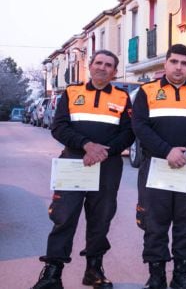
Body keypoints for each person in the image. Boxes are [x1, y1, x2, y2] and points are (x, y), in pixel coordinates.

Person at [32, 50, 134, 289]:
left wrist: (104, 152)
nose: (102, 67)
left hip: (107, 166)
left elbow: (129, 132)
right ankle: (52, 274)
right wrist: (87, 146)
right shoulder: (71, 92)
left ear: (114, 71)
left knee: (101, 218)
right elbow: (59, 127)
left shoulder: (122, 98)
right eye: (98, 63)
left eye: (108, 65)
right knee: (63, 217)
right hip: (73, 163)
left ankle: (94, 269)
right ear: (90, 66)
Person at [132, 44, 186, 289]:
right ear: (166, 63)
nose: (179, 67)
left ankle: (181, 276)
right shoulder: (147, 91)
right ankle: (156, 276)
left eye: (184, 63)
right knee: (155, 224)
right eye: (175, 62)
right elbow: (140, 126)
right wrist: (167, 151)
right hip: (157, 167)